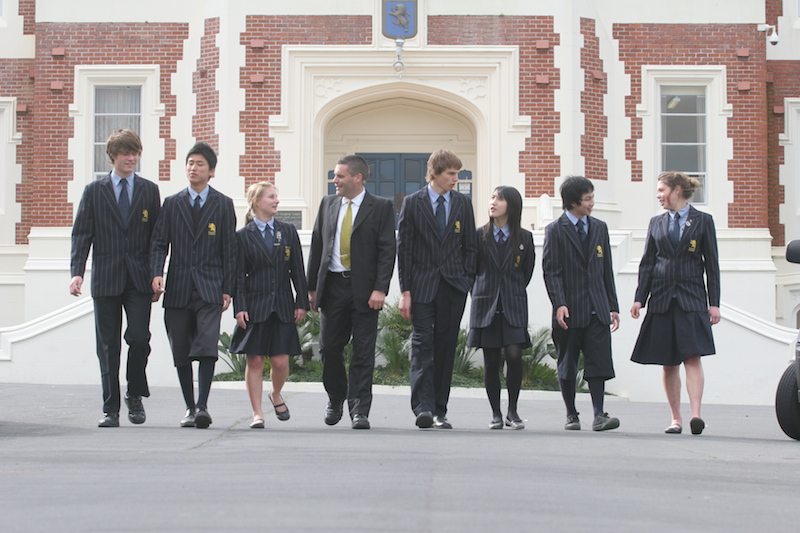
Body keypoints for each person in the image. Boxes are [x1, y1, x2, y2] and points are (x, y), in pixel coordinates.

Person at [70, 129, 161, 428]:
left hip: (139, 279)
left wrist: (157, 273)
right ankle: (111, 409)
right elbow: (82, 235)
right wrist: (77, 273)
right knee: (108, 346)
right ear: (113, 156)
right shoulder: (94, 192)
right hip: (106, 279)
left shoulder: (149, 191)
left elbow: (156, 239)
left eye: (135, 153)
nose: (131, 158)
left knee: (139, 337)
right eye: (125, 153)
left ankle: (134, 393)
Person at [150, 142, 236, 429]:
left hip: (210, 288)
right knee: (182, 350)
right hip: (178, 287)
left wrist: (228, 288)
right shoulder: (172, 203)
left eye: (199, 163)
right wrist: (156, 273)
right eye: (189, 163)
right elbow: (160, 243)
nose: (193, 168)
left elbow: (229, 250)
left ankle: (203, 405)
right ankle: (189, 407)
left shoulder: (223, 204)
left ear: (210, 170)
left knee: (208, 345)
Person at [307, 155, 396, 430]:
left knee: (363, 352)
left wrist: (380, 288)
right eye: (335, 176)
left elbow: (387, 250)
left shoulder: (381, 207)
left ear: (357, 178)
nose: (335, 181)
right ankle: (336, 398)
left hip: (365, 291)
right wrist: (312, 288)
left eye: (340, 176)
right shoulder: (328, 204)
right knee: (329, 348)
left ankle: (359, 409)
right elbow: (317, 245)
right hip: (333, 287)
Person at [630, 171, 720, 435]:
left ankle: (695, 415)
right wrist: (639, 298)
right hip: (661, 298)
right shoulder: (656, 223)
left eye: (661, 190)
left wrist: (714, 303)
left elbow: (712, 266)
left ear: (677, 190)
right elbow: (647, 263)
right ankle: (676, 419)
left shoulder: (703, 221)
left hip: (691, 298)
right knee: (668, 362)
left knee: (692, 357)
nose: (659, 196)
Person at [397, 149, 478, 429]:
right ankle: (423, 407)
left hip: (453, 287)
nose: (456, 178)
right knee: (422, 345)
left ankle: (440, 410)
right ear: (435, 173)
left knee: (445, 347)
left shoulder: (463, 204)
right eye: (451, 174)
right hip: (421, 287)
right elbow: (404, 250)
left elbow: (470, 247)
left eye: (457, 173)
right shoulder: (412, 203)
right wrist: (405, 291)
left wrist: (466, 280)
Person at [542, 175, 621, 432]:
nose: (592, 203)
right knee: (567, 363)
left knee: (599, 362)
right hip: (569, 310)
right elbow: (551, 271)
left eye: (592, 197)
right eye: (587, 198)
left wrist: (613, 306)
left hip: (597, 308)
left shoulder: (599, 227)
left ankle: (599, 414)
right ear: (573, 201)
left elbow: (605, 269)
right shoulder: (555, 230)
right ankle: (571, 414)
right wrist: (559, 303)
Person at [230, 182, 308, 429]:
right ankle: (257, 413)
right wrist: (239, 306)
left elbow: (298, 270)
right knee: (254, 362)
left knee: (281, 363)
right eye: (271, 197)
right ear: (256, 202)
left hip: (283, 305)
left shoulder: (287, 231)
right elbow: (237, 276)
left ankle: (275, 394)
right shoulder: (242, 236)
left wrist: (301, 302)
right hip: (254, 306)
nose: (277, 201)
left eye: (277, 196)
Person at [468, 186, 535, 430]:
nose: (492, 202)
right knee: (491, 361)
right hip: (485, 303)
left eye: (499, 198)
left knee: (515, 356)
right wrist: (481, 292)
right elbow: (471, 270)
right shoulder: (477, 235)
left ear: (512, 205)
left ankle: (513, 411)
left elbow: (525, 273)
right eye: (492, 198)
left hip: (513, 303)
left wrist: (510, 291)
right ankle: (496, 413)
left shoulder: (524, 238)